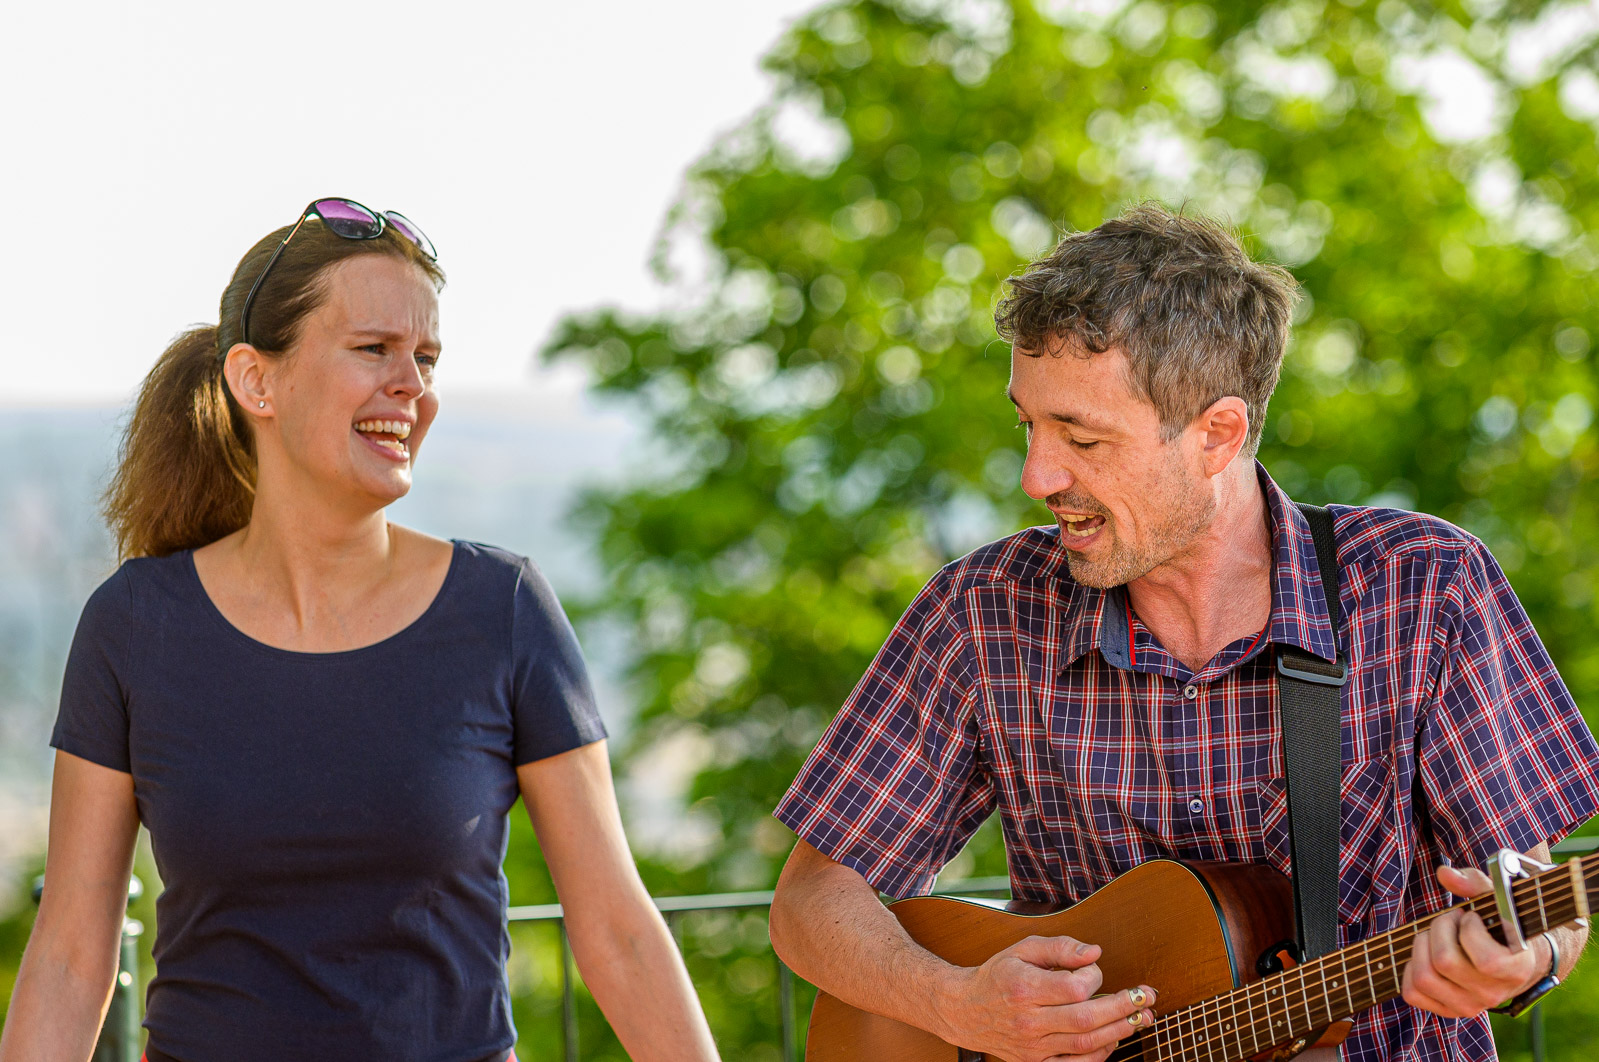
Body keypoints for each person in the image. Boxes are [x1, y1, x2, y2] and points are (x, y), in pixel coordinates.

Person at [767, 204, 1599, 1062]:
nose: (1036, 476)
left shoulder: (1420, 585)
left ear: (1217, 434)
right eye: (1028, 424)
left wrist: (1521, 959)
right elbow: (811, 900)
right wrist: (950, 1003)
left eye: (1082, 439)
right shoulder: (982, 611)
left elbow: (1536, 896)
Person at [0, 199, 720, 1062]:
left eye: (425, 358)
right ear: (256, 380)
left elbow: (618, 931)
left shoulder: (502, 608)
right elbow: (73, 956)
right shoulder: (134, 625)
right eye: (373, 349)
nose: (411, 386)